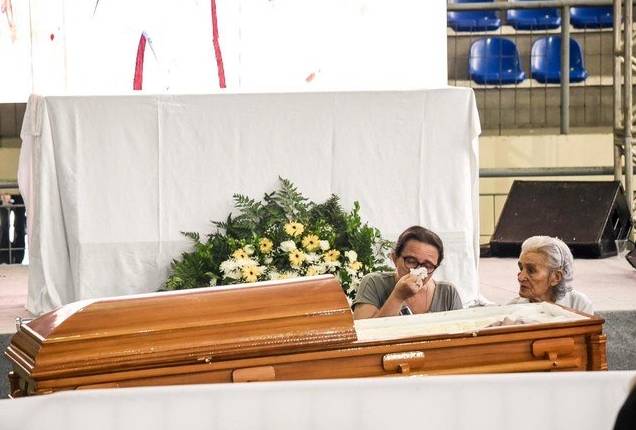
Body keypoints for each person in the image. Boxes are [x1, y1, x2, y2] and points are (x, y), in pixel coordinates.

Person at [352, 225, 463, 319]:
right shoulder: (373, 283)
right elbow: (363, 336)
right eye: (411, 261)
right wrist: (397, 297)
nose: (418, 270)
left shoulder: (448, 293)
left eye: (427, 265)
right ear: (395, 258)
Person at [510, 235, 593, 314]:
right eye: (521, 268)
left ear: (556, 277)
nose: (520, 278)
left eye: (531, 271)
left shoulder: (578, 305)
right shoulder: (511, 310)